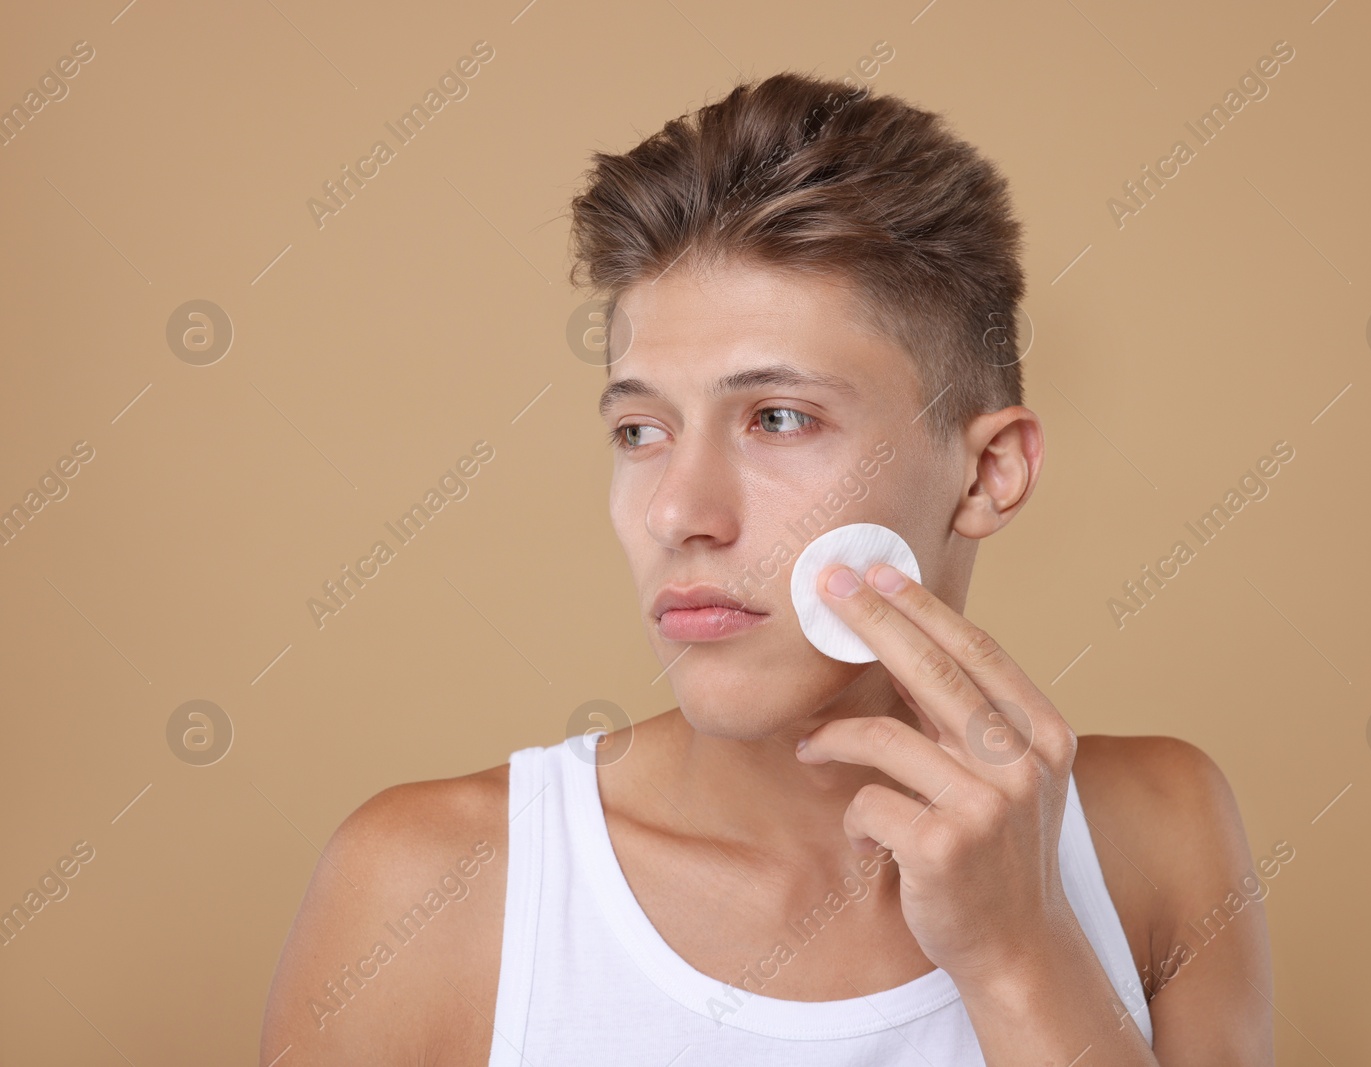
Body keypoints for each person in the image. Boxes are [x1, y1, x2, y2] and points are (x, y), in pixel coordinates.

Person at [260, 71, 1274, 1065]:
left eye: (778, 418)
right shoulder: (435, 887)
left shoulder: (1156, 831)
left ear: (986, 473)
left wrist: (1019, 961)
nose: (678, 511)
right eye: (640, 427)